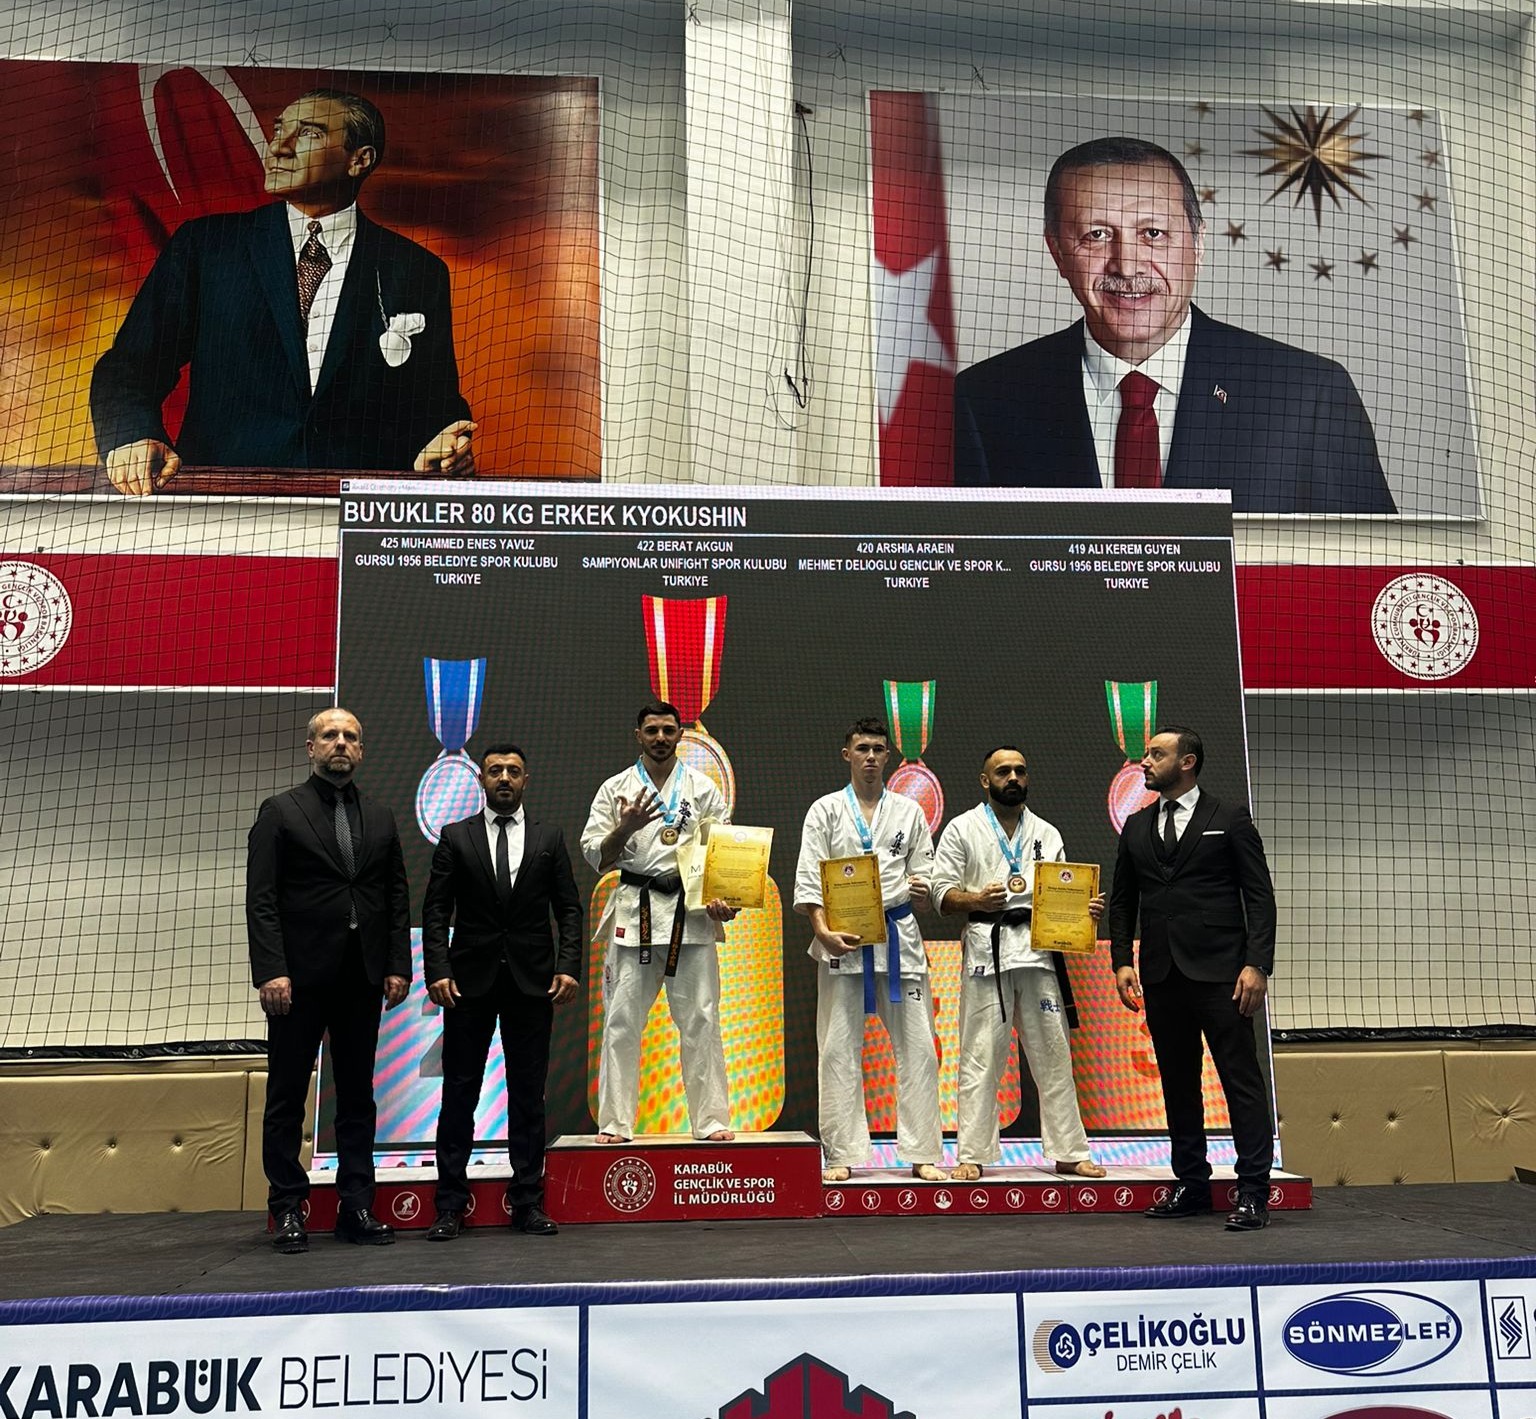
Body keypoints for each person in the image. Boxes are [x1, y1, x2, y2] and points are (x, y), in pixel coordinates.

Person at [953, 136, 1396, 514]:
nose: (1127, 266)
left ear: (1198, 243)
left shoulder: (1308, 395)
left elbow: (1369, 568)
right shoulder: (988, 399)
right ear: (1057, 252)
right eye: (1097, 235)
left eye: (1153, 234)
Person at [91, 88, 475, 494]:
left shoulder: (417, 269)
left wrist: (445, 448)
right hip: (221, 504)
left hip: (357, 507)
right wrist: (132, 436)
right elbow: (128, 369)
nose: (278, 148)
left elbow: (434, 405)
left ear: (359, 160)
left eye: (308, 133)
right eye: (278, 131)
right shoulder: (207, 247)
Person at [246, 708, 411, 1253]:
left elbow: (395, 896)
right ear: (311, 748)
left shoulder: (381, 816)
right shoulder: (280, 811)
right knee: (287, 1096)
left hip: (361, 978)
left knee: (359, 1098)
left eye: (350, 737)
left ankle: (356, 1207)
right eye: (330, 735)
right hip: (296, 982)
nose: (340, 743)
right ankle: (288, 1208)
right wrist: (272, 970)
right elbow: (262, 898)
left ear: (361, 751)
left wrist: (397, 965)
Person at [1107, 726, 1278, 1232]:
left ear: (1187, 762)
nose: (1145, 761)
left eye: (1156, 754)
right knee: (1178, 1084)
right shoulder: (1136, 825)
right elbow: (1123, 902)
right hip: (1162, 974)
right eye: (1146, 754)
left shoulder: (1229, 818)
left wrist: (1257, 965)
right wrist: (1121, 961)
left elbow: (1259, 896)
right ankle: (1192, 1184)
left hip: (1224, 974)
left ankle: (1253, 1191)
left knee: (1240, 1082)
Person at [421, 743, 583, 1240]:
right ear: (482, 780)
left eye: (513, 771)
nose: (505, 778)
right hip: (468, 984)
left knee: (528, 1096)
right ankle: (449, 1205)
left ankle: (528, 1202)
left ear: (526, 779)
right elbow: (435, 909)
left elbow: (569, 909)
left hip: (532, 983)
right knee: (459, 1093)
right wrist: (437, 969)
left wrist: (568, 966)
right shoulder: (455, 836)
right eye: (495, 771)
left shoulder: (549, 838)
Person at [931, 746, 1107, 1182]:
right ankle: (972, 1153)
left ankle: (1069, 1151)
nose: (1013, 778)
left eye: (1020, 771)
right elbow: (941, 894)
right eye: (1003, 771)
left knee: (1054, 1054)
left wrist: (1084, 910)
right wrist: (976, 899)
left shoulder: (1047, 832)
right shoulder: (962, 829)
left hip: (1038, 952)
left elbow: (1064, 893)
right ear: (984, 780)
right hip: (986, 951)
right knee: (980, 1055)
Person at [793, 717, 946, 1183]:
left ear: (888, 757)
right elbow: (809, 878)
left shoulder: (909, 812)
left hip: (899, 939)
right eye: (863, 749)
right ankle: (841, 1154)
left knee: (920, 1050)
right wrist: (821, 931)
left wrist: (923, 889)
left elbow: (926, 874)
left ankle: (922, 1152)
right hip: (843, 940)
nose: (872, 757)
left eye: (879, 749)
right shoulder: (824, 810)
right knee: (837, 1049)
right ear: (848, 755)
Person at [580, 701, 738, 1144]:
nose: (661, 738)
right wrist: (626, 827)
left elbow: (723, 852)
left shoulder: (703, 789)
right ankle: (615, 1122)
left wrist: (727, 899)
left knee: (702, 1019)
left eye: (669, 730)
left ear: (680, 735)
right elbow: (595, 855)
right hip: (636, 912)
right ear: (639, 735)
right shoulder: (616, 789)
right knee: (621, 1022)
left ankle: (711, 1120)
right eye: (652, 730)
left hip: (692, 914)